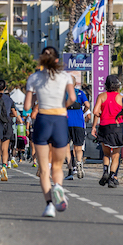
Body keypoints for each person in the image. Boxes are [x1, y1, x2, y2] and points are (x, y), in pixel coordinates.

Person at [24, 46, 75, 218]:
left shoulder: (34, 78)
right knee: (58, 166)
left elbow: (26, 107)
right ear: (56, 60)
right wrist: (62, 107)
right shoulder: (65, 76)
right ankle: (58, 187)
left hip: (43, 120)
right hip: (60, 119)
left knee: (44, 168)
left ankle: (49, 206)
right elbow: (73, 98)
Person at [94, 74, 123, 188]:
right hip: (117, 127)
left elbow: (95, 111)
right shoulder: (121, 98)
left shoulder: (101, 96)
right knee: (116, 155)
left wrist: (102, 114)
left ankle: (105, 171)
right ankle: (112, 177)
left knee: (106, 153)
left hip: (104, 126)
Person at [65, 78, 89, 180]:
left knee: (66, 147)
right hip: (79, 123)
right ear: (75, 84)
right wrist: (82, 113)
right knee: (78, 147)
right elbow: (87, 105)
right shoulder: (80, 93)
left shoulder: (63, 94)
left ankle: (70, 170)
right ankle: (79, 162)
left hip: (65, 123)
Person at [0, 79, 20, 178]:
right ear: (5, 88)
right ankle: (4, 167)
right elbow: (15, 114)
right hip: (7, 124)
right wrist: (8, 115)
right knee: (5, 148)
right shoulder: (9, 99)